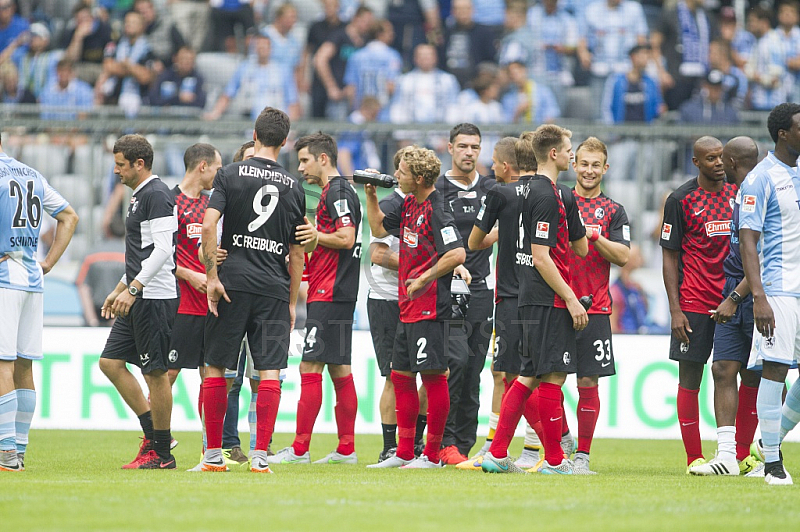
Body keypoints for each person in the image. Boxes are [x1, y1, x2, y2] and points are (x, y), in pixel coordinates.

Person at [191, 107, 307, 474]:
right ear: (285, 141)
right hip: (273, 288)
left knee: (215, 368)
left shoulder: (229, 174)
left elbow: (209, 226)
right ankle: (260, 457)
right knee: (270, 372)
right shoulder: (293, 185)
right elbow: (297, 251)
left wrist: (212, 278)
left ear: (254, 134)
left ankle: (213, 456)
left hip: (233, 284)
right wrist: (291, 303)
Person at [481, 124, 588, 475]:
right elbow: (541, 255)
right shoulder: (546, 194)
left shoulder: (531, 191)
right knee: (553, 378)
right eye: (569, 148)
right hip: (548, 299)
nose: (573, 153)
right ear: (554, 154)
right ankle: (556, 461)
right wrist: (571, 298)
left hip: (528, 296)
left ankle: (497, 454)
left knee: (527, 376)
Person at [365, 146, 466, 468]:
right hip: (407, 308)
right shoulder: (409, 204)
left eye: (403, 173)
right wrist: (369, 194)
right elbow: (379, 230)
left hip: (430, 308)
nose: (396, 176)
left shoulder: (438, 209)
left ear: (420, 178)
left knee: (433, 377)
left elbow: (457, 254)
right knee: (401, 376)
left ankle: (432, 455)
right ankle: (404, 453)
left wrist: (424, 277)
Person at [268, 132, 362, 465]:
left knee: (310, 365)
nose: (301, 167)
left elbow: (347, 237)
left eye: (305, 160)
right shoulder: (333, 192)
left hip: (331, 291)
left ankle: (299, 449)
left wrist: (316, 235)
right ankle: (346, 450)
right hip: (334, 290)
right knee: (340, 369)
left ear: (324, 158)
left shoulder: (337, 191)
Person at [98, 134, 180, 470]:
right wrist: (120, 287)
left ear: (139, 164)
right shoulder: (139, 196)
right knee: (110, 363)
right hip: (137, 294)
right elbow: (141, 253)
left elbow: (163, 250)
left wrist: (132, 290)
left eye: (120, 165)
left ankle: (162, 454)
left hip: (154, 298)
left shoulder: (158, 195)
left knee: (156, 374)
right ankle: (155, 436)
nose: (116, 170)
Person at [0, 133, 79, 472]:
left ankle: (5, 452)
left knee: (2, 365)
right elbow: (70, 216)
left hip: (4, 279)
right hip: (32, 278)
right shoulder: (30, 173)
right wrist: (47, 263)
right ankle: (18, 449)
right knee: (23, 365)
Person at [462, 136, 541, 471]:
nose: (490, 166)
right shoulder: (546, 194)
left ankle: (537, 447)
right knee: (509, 374)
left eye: (494, 160)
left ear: (507, 166)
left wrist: (494, 234)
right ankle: (505, 446)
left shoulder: (501, 194)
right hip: (532, 296)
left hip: (513, 295)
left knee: (519, 375)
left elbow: (475, 242)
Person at [660, 136, 736, 473]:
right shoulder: (680, 199)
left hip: (734, 301)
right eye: (710, 158)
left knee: (737, 373)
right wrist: (675, 309)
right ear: (696, 162)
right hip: (694, 302)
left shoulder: (737, 193)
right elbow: (669, 257)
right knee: (690, 378)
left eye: (721, 157)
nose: (718, 163)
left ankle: (737, 453)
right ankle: (694, 457)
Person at [687, 136, 762, 477]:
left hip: (758, 293)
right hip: (733, 289)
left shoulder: (759, 193)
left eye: (722, 159)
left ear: (731, 162)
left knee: (766, 373)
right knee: (722, 370)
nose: (718, 164)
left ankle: (767, 452)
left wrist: (735, 298)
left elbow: (761, 256)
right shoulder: (738, 195)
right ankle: (728, 456)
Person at [739, 103, 800, 485]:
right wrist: (757, 295)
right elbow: (748, 240)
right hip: (777, 290)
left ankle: (766, 445)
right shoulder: (760, 178)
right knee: (775, 370)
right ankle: (773, 465)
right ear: (783, 133)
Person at [566, 137, 630, 474]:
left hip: (595, 309)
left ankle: (582, 456)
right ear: (574, 164)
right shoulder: (559, 201)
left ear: (605, 168)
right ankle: (561, 439)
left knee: (588, 383)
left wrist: (594, 235)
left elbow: (623, 256)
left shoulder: (614, 211)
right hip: (557, 305)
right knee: (541, 381)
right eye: (584, 163)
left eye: (596, 165)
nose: (589, 170)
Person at [434, 123, 494, 465]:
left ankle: (464, 444)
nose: (469, 152)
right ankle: (443, 440)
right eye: (463, 146)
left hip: (481, 289)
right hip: (446, 290)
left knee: (474, 368)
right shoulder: (438, 189)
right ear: (450, 148)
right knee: (452, 364)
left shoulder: (491, 188)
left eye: (474, 146)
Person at [166, 143, 221, 384]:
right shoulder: (169, 201)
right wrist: (189, 274)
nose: (219, 175)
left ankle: (208, 425)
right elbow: (154, 256)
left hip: (210, 305)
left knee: (210, 376)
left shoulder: (213, 205)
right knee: (167, 373)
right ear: (203, 166)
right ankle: (156, 424)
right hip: (180, 305)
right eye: (218, 169)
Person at [366, 149, 407, 463]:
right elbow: (378, 255)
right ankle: (389, 446)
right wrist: (420, 265)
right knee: (393, 375)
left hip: (416, 298)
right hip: (387, 298)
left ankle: (414, 443)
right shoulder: (391, 205)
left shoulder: (427, 203)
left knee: (426, 372)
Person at [204, 33, 299, 121]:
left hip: (276, 123)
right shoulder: (244, 68)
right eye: (259, 46)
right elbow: (228, 94)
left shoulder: (283, 71)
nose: (262, 49)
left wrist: (291, 127)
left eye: (265, 46)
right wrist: (215, 113)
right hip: (248, 120)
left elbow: (292, 102)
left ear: (270, 48)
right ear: (254, 48)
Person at [651, 0, 717, 111]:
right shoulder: (670, 14)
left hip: (700, 79)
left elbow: (713, 46)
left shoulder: (707, 16)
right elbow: (654, 44)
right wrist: (662, 72)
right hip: (675, 80)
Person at [312, 5, 374, 120]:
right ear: (356, 18)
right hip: (340, 97)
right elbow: (320, 59)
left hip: (357, 98)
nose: (368, 26)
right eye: (365, 21)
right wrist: (331, 87)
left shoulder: (366, 40)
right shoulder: (339, 36)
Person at [96, 11, 155, 117]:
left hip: (140, 98)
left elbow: (145, 77)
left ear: (142, 26)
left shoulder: (148, 49)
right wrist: (135, 70)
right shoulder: (115, 43)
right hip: (115, 95)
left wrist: (126, 65)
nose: (128, 25)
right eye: (127, 22)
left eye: (133, 22)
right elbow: (108, 66)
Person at [389, 43, 460, 124]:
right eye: (421, 55)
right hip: (410, 133)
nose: (425, 58)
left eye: (428, 55)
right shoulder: (404, 80)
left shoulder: (448, 80)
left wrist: (448, 133)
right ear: (415, 59)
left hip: (441, 133)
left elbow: (453, 108)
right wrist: (403, 134)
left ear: (435, 58)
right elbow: (398, 108)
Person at [602, 44, 664, 124]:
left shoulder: (651, 82)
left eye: (648, 55)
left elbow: (658, 106)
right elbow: (606, 107)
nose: (647, 58)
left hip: (644, 133)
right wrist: (612, 132)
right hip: (620, 132)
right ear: (633, 57)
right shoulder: (616, 81)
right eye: (644, 54)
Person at [61, 1, 113, 85]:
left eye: (86, 18)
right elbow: (70, 60)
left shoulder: (105, 29)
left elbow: (110, 57)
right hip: (82, 69)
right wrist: (78, 38)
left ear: (92, 17)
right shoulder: (72, 33)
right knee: (67, 73)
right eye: (80, 20)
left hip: (101, 68)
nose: (84, 22)